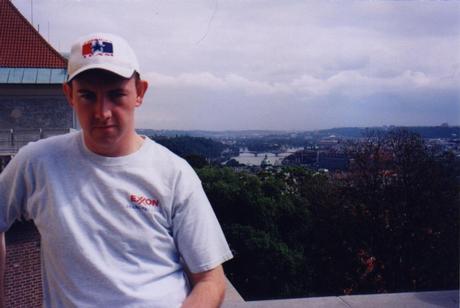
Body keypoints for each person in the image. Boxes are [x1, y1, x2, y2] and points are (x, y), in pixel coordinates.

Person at [0, 33, 233, 308]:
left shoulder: (174, 174)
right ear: (69, 95)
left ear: (140, 93)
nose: (103, 112)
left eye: (116, 94)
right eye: (88, 95)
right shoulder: (38, 162)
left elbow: (210, 281)